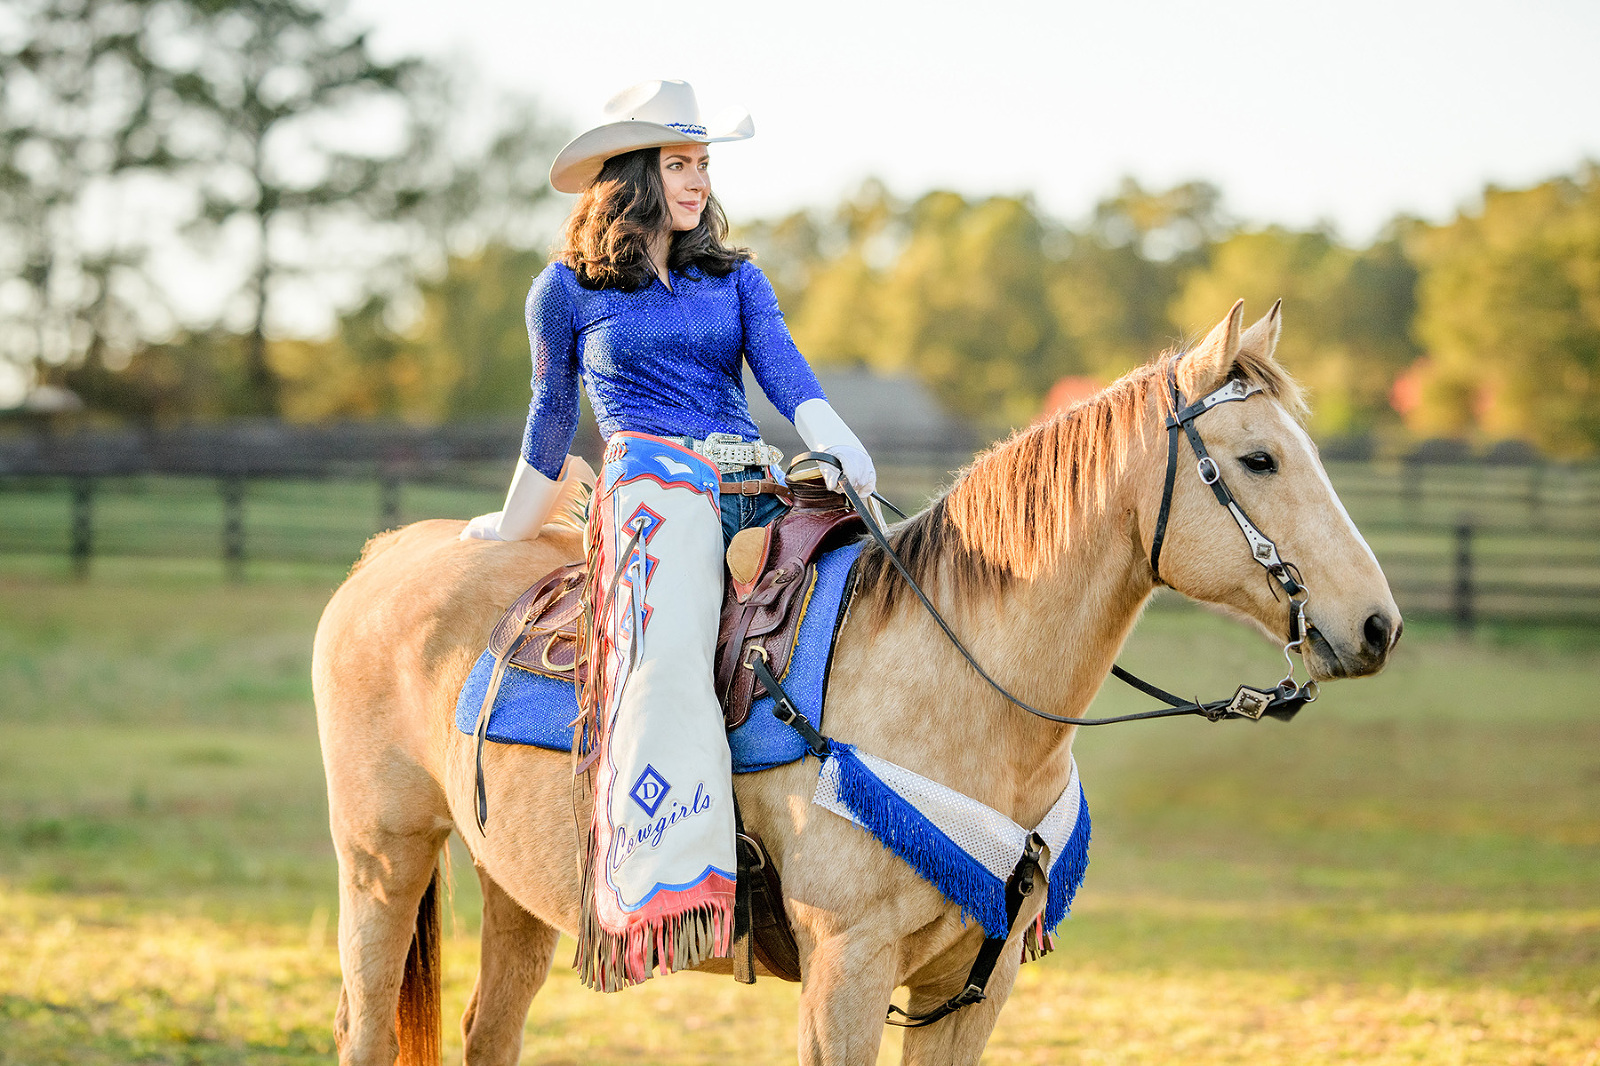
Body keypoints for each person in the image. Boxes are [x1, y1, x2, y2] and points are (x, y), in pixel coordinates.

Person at [460, 80, 877, 991]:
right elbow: (549, 421)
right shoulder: (563, 292)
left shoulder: (735, 277)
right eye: (680, 164)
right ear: (634, 175)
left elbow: (785, 372)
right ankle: (669, 876)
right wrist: (512, 524)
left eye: (702, 165)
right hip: (647, 487)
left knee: (863, 581)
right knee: (667, 654)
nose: (697, 182)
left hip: (748, 471)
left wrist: (838, 444)